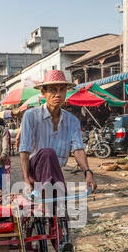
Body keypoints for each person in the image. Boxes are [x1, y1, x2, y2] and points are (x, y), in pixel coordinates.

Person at [19, 70, 97, 201]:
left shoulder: (72, 120)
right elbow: (25, 150)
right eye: (53, 90)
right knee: (48, 153)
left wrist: (87, 172)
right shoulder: (31, 116)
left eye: (62, 90)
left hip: (55, 173)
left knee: (60, 210)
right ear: (43, 92)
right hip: (35, 169)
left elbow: (78, 149)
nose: (58, 94)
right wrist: (26, 180)